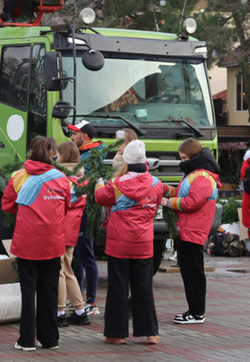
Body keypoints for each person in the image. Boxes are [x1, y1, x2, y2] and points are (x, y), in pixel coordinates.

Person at [2, 136, 71, 352]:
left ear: (31, 151)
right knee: (49, 291)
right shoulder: (62, 179)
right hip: (52, 241)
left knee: (27, 290)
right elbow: (67, 206)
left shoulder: (18, 176)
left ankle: (26, 340)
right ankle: (50, 339)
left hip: (27, 242)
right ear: (51, 152)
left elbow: (7, 205)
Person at [95, 139, 164, 345]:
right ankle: (151, 333)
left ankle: (116, 334)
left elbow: (100, 198)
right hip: (143, 243)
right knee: (143, 286)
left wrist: (99, 182)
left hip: (119, 243)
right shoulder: (156, 184)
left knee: (118, 286)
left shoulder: (116, 184)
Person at [162, 138, 220, 325]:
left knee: (193, 273)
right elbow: (183, 194)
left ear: (193, 156)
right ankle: (193, 310)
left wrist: (168, 202)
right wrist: (166, 190)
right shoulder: (194, 174)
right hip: (187, 230)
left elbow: (192, 203)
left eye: (184, 158)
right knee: (189, 273)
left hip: (193, 231)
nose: (182, 161)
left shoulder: (202, 176)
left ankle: (197, 312)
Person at [68, 119, 104, 316]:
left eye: (75, 134)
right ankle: (77, 300)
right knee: (78, 257)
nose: (72, 137)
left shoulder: (91, 156)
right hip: (78, 211)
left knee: (86, 255)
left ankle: (91, 303)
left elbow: (81, 180)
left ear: (86, 136)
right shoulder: (82, 153)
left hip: (87, 211)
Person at [54, 141, 89, 328]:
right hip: (73, 229)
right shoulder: (82, 178)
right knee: (68, 269)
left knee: (59, 270)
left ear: (63, 156)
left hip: (59, 228)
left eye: (58, 154)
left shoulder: (61, 178)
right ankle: (79, 310)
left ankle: (59, 311)